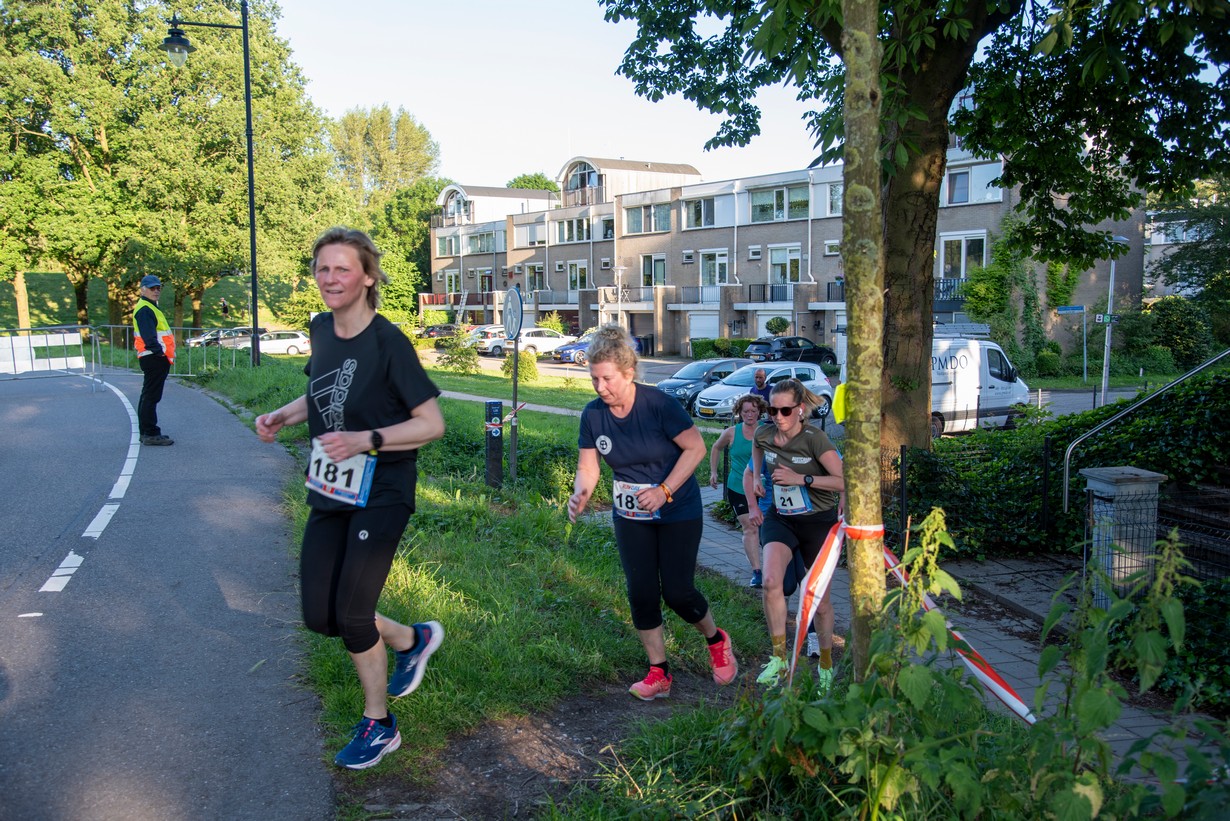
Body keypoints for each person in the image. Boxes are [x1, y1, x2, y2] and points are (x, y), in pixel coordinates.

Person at [256, 227, 446, 770]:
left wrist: (368, 439)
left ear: (367, 277)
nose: (331, 278)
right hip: (331, 485)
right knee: (322, 616)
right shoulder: (320, 329)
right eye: (322, 268)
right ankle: (411, 640)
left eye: (342, 269)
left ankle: (379, 723)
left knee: (354, 612)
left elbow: (430, 423)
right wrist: (283, 416)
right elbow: (320, 389)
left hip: (383, 489)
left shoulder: (389, 343)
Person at [568, 325, 738, 701]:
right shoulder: (593, 415)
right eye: (594, 378)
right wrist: (580, 494)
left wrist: (664, 490)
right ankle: (659, 672)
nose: (599, 387)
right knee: (641, 593)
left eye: (607, 379)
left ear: (628, 374)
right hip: (631, 516)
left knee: (678, 592)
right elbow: (589, 467)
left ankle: (716, 639)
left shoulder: (659, 405)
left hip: (677, 509)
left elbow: (694, 449)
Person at [744, 378, 844, 679]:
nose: (778, 417)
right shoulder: (763, 433)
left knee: (820, 600)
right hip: (782, 517)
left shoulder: (815, 439)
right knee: (772, 581)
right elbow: (756, 460)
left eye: (785, 411)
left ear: (800, 410)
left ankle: (825, 663)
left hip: (818, 522)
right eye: (772, 410)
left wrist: (803, 479)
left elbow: (843, 481)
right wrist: (759, 480)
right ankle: (778, 658)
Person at [708, 393, 768, 588]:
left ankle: (774, 566)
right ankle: (757, 571)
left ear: (760, 411)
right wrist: (713, 472)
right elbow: (716, 448)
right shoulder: (733, 432)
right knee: (750, 527)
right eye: (745, 412)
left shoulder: (767, 431)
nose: (749, 415)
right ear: (739, 413)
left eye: (753, 411)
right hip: (738, 487)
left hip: (764, 488)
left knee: (766, 528)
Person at [132, 274, 176, 446]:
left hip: (153, 357)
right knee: (151, 396)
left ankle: (147, 431)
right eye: (152, 288)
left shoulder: (149, 307)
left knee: (148, 396)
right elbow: (149, 336)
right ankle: (150, 433)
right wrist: (160, 354)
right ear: (143, 290)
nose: (156, 291)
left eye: (158, 288)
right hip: (154, 357)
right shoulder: (145, 309)